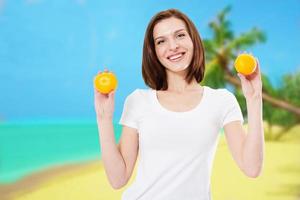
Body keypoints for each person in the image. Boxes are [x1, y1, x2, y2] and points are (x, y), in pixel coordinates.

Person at [94, 9, 264, 200]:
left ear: (193, 40)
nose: (173, 46)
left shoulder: (221, 101)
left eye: (180, 35)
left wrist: (254, 97)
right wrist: (104, 117)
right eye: (161, 41)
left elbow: (252, 168)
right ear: (154, 51)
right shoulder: (139, 101)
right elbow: (118, 179)